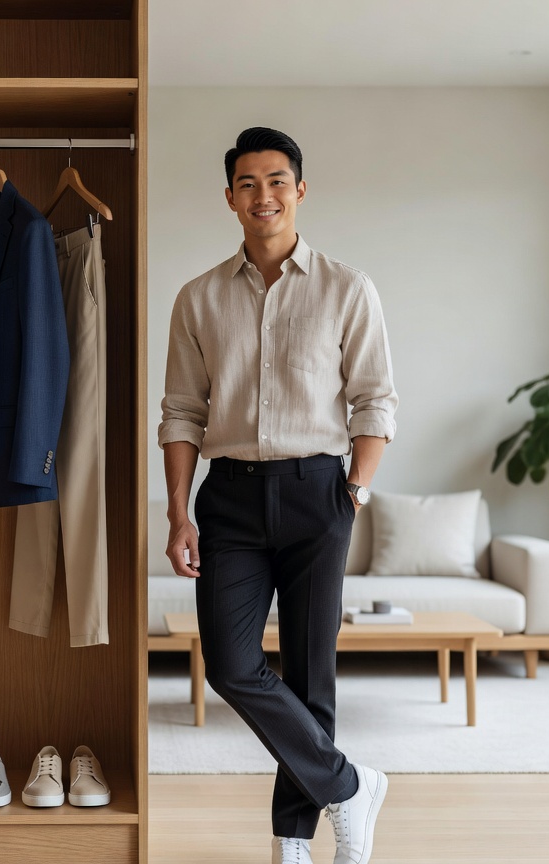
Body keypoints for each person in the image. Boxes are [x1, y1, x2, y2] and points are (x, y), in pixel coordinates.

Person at [158, 127, 399, 864]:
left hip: (317, 493)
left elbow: (375, 402)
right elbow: (181, 412)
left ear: (299, 191)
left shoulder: (346, 288)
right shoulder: (198, 299)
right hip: (227, 498)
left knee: (309, 670)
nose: (263, 195)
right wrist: (176, 512)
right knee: (232, 664)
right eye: (248, 183)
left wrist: (354, 490)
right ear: (230, 198)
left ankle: (294, 840)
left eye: (276, 181)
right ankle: (349, 784)